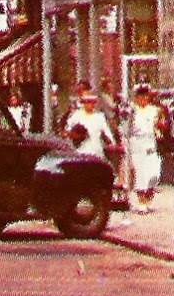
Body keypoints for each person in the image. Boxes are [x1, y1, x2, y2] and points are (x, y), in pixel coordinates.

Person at [124, 84, 168, 214]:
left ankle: (147, 198)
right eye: (140, 96)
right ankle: (141, 203)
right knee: (141, 173)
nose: (143, 98)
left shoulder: (154, 110)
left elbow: (161, 124)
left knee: (154, 173)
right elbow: (125, 128)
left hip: (150, 142)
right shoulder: (132, 110)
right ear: (136, 97)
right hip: (137, 142)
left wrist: (160, 127)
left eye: (145, 96)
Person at [63, 90, 116, 159]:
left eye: (92, 102)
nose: (90, 104)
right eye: (87, 102)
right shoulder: (76, 116)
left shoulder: (99, 117)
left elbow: (107, 133)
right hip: (80, 152)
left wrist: (111, 142)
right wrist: (76, 135)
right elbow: (67, 131)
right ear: (83, 103)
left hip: (96, 152)